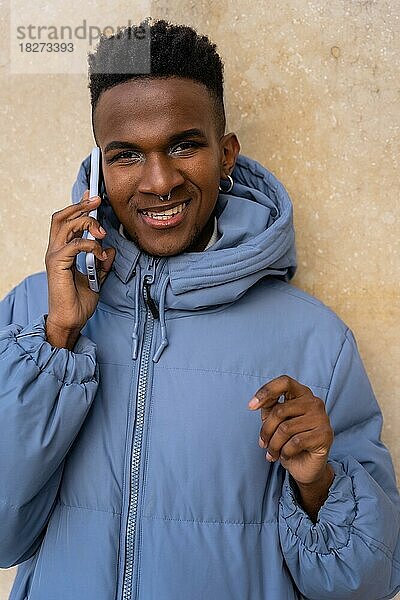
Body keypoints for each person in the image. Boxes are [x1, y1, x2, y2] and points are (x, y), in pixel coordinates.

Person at [0, 17, 399, 600]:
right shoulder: (31, 314)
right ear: (99, 165)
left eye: (184, 145)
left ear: (227, 152)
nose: (159, 181)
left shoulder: (316, 339)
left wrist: (318, 481)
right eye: (127, 155)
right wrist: (57, 340)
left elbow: (366, 582)